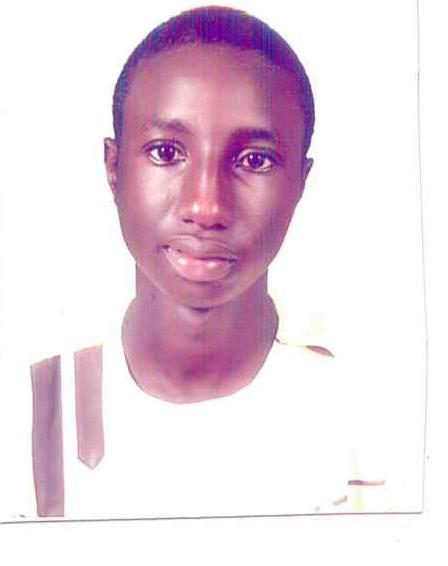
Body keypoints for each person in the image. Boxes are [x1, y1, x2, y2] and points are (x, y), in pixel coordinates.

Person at [1, 6, 389, 521]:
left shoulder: (377, 421)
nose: (206, 206)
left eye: (254, 160)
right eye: (166, 152)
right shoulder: (24, 417)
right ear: (113, 168)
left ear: (300, 182)